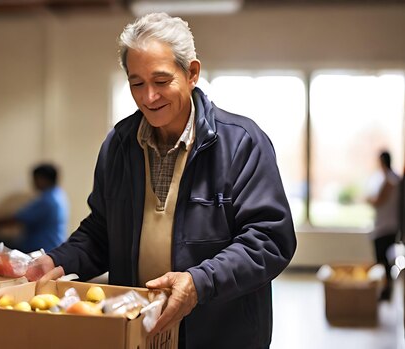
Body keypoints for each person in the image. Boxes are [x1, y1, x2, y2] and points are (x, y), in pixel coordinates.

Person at [26, 12, 296, 348]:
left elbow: (270, 239)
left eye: (161, 81)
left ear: (191, 73)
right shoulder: (119, 145)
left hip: (222, 335)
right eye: (137, 83)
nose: (149, 97)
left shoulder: (242, 143)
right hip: (142, 331)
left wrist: (199, 283)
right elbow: (101, 232)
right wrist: (58, 260)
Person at [0, 163, 69, 253]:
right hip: (53, 246)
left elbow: (18, 219)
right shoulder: (58, 194)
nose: (33, 182)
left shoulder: (47, 200)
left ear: (42, 179)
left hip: (42, 250)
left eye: (35, 179)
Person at [367, 150, 401, 300]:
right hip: (389, 226)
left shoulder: (390, 180)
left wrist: (369, 199)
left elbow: (378, 201)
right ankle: (387, 288)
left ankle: (386, 290)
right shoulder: (395, 179)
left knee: (383, 261)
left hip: (385, 227)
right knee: (385, 260)